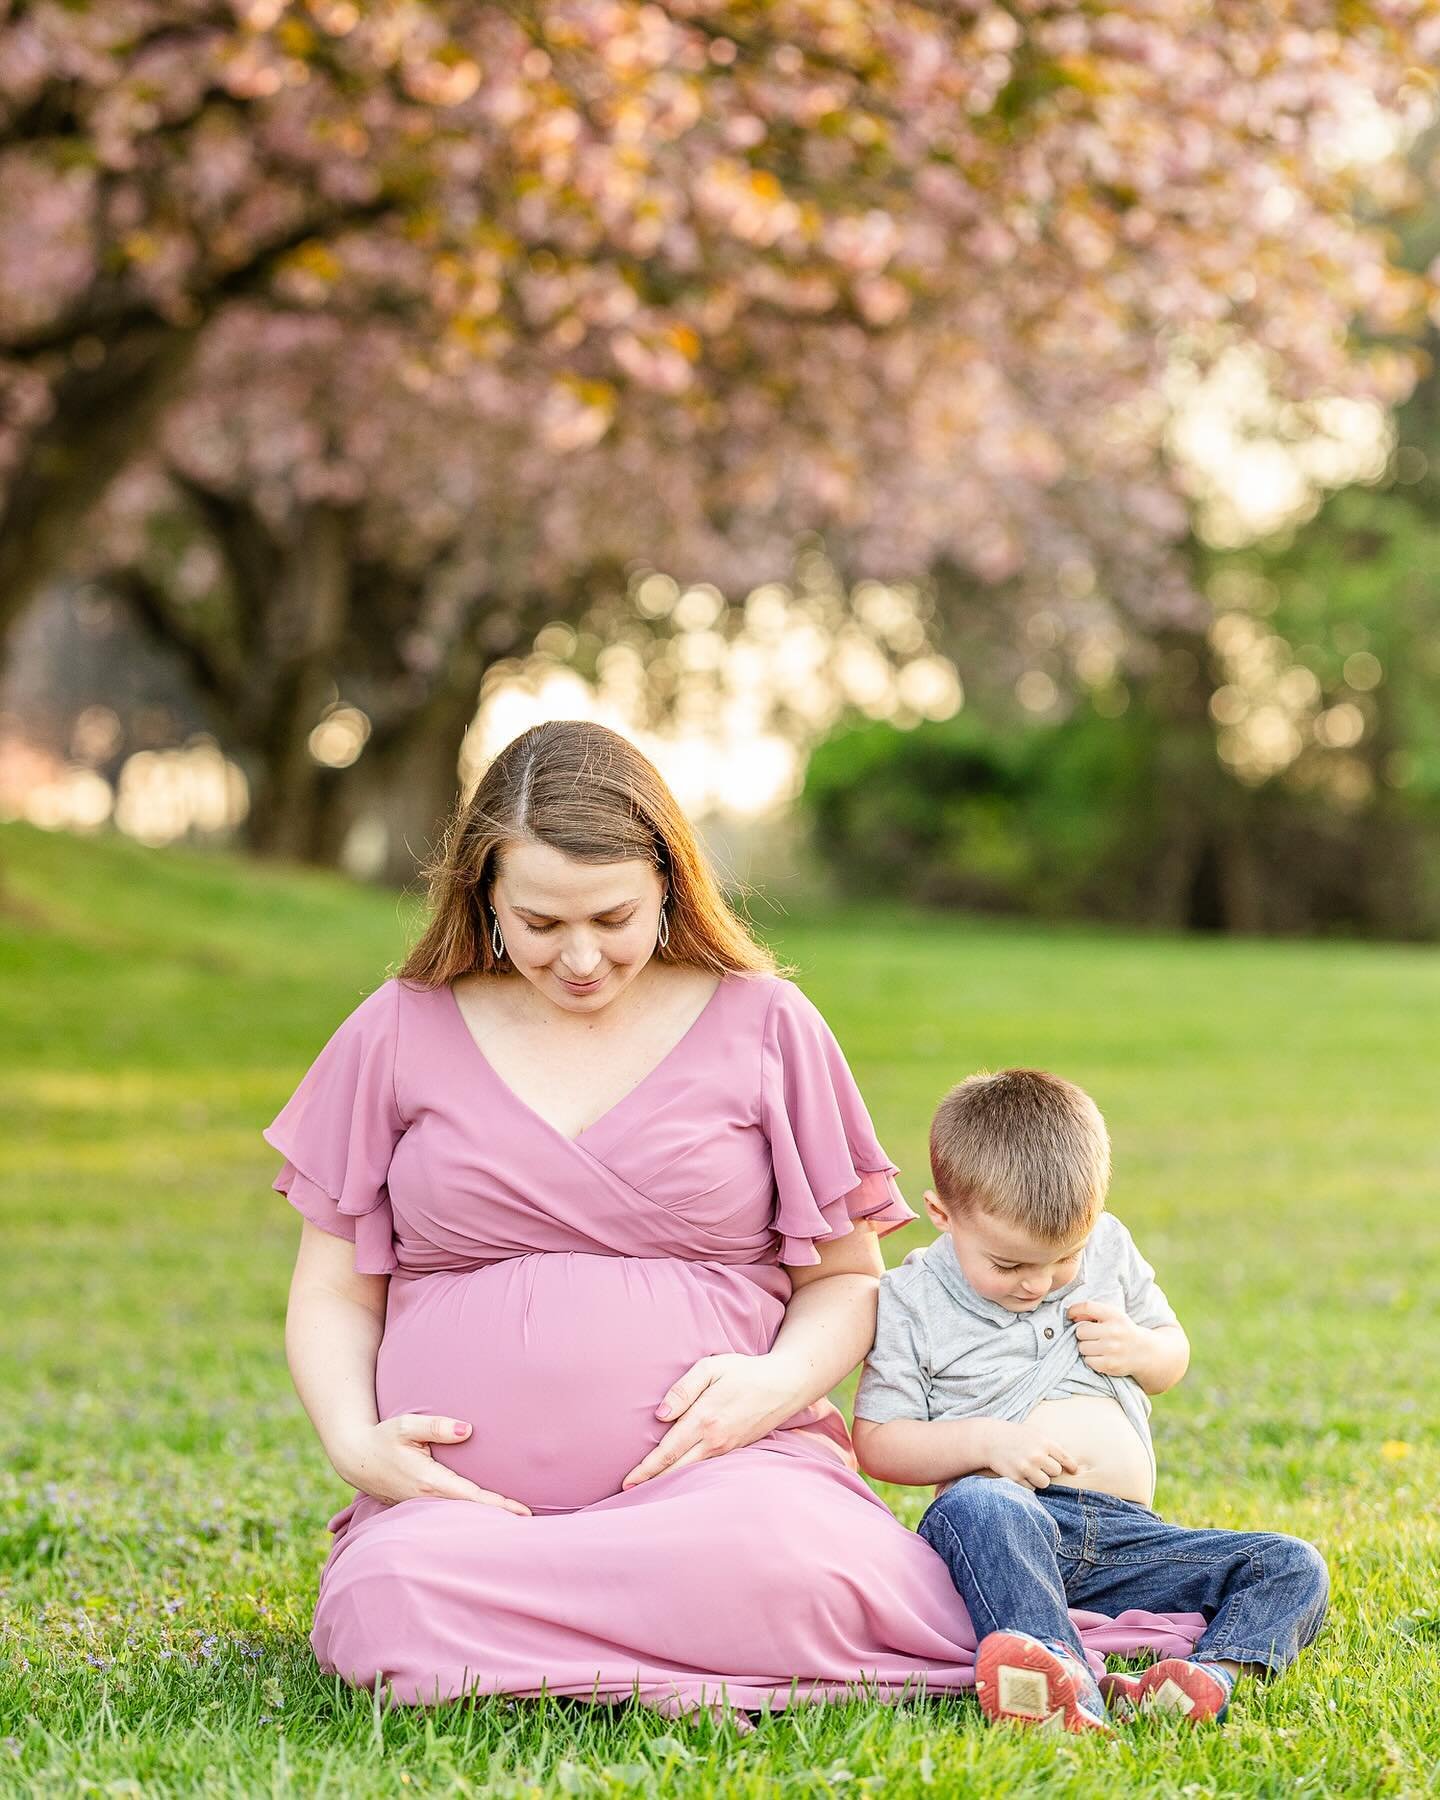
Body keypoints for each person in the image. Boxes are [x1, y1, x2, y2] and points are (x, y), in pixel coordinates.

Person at [264, 719, 1205, 1726]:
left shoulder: (764, 1024)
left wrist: (775, 1383)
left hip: (726, 1481)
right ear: (482, 896)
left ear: (669, 881)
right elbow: (331, 1289)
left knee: (784, 1567)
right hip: (470, 1513)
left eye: (613, 917)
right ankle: (684, 1665)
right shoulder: (399, 1028)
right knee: (385, 1603)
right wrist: (355, 1445)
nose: (580, 958)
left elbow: (846, 1279)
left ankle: (608, 1658)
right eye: (540, 924)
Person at [852, 1067, 1330, 1735]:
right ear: (942, 1215)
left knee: (1289, 1562)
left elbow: (1170, 1354)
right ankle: (1055, 1671)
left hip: (1127, 1539)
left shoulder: (1109, 1246)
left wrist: (1142, 1349)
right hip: (1001, 1529)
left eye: (1062, 1259)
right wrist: (985, 1444)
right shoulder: (913, 1300)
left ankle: (1210, 1676)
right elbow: (878, 1440)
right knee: (982, 1501)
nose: (1038, 1284)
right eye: (1009, 1265)